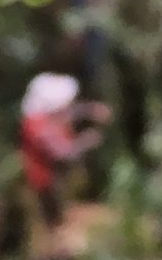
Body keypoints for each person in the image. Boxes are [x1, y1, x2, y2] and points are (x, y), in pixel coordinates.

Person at [18, 72, 106, 231]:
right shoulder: (36, 126)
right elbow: (61, 152)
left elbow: (68, 113)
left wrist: (90, 109)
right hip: (46, 184)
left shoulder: (47, 116)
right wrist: (86, 141)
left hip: (55, 179)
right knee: (56, 223)